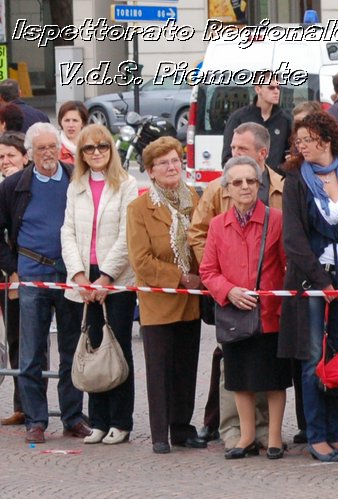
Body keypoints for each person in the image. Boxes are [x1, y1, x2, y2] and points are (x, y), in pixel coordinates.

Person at [279, 110, 338, 462]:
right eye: (298, 140)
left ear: (327, 139)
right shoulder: (295, 181)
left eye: (308, 139)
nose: (302, 146)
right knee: (313, 358)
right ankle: (316, 434)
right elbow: (294, 239)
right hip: (310, 280)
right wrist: (322, 281)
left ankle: (336, 434)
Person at [188, 122, 282, 449]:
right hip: (234, 311)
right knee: (238, 378)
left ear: (259, 184)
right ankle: (243, 436)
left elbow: (285, 265)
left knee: (272, 380)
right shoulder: (217, 224)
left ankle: (272, 438)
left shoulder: (276, 219)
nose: (244, 187)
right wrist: (227, 291)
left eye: (250, 181)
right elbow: (208, 269)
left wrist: (277, 298)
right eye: (237, 182)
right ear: (226, 187)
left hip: (269, 312)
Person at [0, 123, 87, 443]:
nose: (49, 153)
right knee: (31, 352)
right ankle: (35, 419)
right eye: (41, 148)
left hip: (69, 275)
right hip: (32, 275)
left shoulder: (73, 178)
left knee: (70, 350)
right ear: (29, 154)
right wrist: (12, 268)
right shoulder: (13, 186)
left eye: (53, 147)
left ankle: (72, 417)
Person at [62, 120, 137, 445]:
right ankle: (99, 421)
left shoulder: (127, 184)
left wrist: (106, 276)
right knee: (92, 345)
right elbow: (67, 231)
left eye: (102, 146)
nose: (96, 153)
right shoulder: (75, 184)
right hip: (83, 277)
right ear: (81, 153)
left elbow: (126, 236)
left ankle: (121, 421)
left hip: (115, 278)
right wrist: (79, 275)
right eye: (89, 148)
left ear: (111, 149)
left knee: (116, 347)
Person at [127, 136, 203, 453]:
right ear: (151, 171)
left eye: (175, 161)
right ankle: (160, 433)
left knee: (186, 367)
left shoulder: (194, 200)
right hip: (159, 301)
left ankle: (182, 428)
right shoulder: (139, 208)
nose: (171, 167)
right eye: (163, 163)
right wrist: (182, 277)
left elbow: (202, 241)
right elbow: (141, 260)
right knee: (159, 371)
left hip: (190, 301)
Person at [222, 74, 290, 172]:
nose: (276, 91)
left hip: (275, 182)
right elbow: (227, 157)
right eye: (271, 88)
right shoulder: (238, 118)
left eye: (278, 88)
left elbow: (290, 154)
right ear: (258, 89)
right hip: (246, 179)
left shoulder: (285, 120)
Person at [0, 129, 22, 425]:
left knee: (23, 340)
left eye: (10, 156)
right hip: (6, 273)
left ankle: (25, 404)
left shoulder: (25, 188)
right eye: (1, 157)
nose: (5, 161)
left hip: (23, 275)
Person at [56, 100, 85, 166]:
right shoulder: (55, 147)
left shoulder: (91, 145)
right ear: (61, 122)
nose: (71, 125)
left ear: (83, 123)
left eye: (75, 120)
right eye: (67, 120)